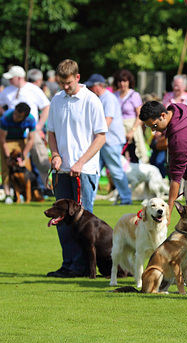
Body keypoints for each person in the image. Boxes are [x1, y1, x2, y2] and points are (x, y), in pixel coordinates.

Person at [139, 100, 187, 287]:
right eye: (150, 128)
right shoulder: (177, 108)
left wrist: (169, 209)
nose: (155, 131)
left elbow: (175, 179)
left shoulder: (180, 138)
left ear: (163, 115)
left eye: (155, 125)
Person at [46, 59, 107, 278]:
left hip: (85, 170)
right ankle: (69, 264)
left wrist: (81, 162)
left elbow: (101, 137)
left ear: (77, 78)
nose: (64, 87)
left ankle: (83, 266)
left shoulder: (91, 100)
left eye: (68, 83)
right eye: (61, 83)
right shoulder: (56, 99)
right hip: (62, 171)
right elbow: (50, 132)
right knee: (61, 220)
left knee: (83, 223)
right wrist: (54, 154)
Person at [0, 65, 51, 193]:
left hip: (32, 131)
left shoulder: (33, 89)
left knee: (41, 160)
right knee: (12, 163)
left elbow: (46, 106)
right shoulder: (7, 90)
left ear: (19, 77)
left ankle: (47, 187)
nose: (9, 81)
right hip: (13, 134)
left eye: (12, 78)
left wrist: (39, 125)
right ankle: (14, 191)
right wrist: (5, 115)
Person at [85, 74, 132, 206]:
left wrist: (95, 136)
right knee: (94, 170)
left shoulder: (108, 98)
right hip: (103, 140)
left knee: (115, 171)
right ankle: (89, 199)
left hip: (110, 141)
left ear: (99, 85)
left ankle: (126, 198)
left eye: (91, 85)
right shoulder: (102, 97)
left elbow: (108, 119)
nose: (89, 88)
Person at [0, 103, 37, 200]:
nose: (15, 116)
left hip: (21, 140)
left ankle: (27, 195)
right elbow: (2, 139)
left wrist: (23, 156)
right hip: (7, 140)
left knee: (25, 168)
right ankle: (8, 194)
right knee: (6, 168)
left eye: (18, 116)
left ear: (25, 116)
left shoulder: (31, 119)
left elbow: (31, 139)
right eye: (15, 113)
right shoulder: (6, 117)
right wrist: (8, 157)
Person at [113, 69, 148, 163]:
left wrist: (132, 131)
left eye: (124, 81)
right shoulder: (114, 95)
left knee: (135, 155)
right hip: (119, 128)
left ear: (129, 81)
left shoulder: (134, 95)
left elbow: (140, 115)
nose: (122, 83)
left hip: (132, 127)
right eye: (120, 81)